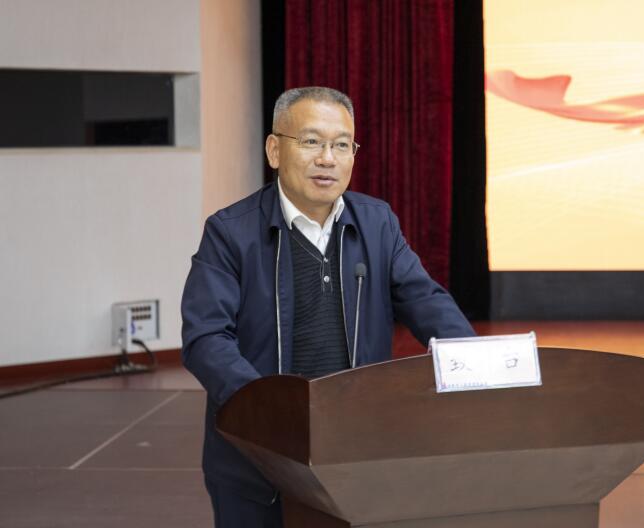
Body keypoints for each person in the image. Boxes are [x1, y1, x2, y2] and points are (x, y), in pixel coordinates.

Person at [181, 86, 475, 528]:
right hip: (259, 451)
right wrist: (266, 408)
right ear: (275, 150)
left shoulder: (376, 222)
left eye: (341, 145)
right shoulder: (230, 232)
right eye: (311, 141)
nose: (327, 158)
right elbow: (206, 338)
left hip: (354, 443)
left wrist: (475, 359)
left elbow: (424, 299)